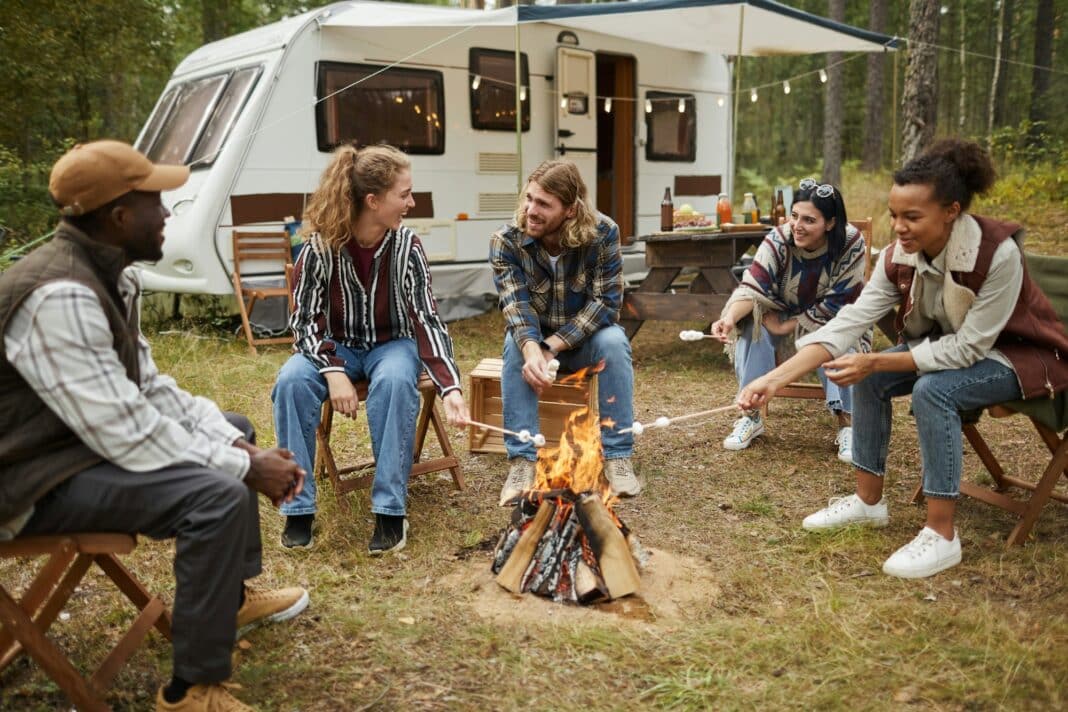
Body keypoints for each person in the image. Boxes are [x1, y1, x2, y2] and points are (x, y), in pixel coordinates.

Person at [0, 140, 309, 711]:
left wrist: (230, 441)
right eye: (156, 203)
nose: (168, 215)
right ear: (119, 218)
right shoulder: (60, 294)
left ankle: (228, 601)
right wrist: (243, 464)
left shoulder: (110, 273)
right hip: (24, 483)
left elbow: (148, 388)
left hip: (69, 447)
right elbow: (124, 430)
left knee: (231, 424)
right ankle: (191, 689)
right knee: (215, 494)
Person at [738, 139, 1068, 579]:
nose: (898, 227)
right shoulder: (899, 257)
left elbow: (968, 349)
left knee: (933, 390)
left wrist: (875, 362)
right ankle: (868, 501)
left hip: (1021, 359)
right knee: (871, 380)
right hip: (953, 348)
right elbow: (851, 319)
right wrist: (775, 380)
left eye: (912, 217)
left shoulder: (997, 254)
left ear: (951, 211)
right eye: (894, 215)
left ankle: (942, 534)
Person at [273, 143, 469, 553]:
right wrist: (333, 370)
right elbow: (304, 320)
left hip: (391, 344)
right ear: (373, 200)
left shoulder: (407, 247)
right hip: (334, 346)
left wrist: (450, 387)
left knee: (397, 380)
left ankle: (390, 512)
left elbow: (425, 318)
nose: (411, 203)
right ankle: (298, 509)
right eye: (405, 194)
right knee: (291, 380)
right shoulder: (321, 247)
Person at [490, 159, 639, 506]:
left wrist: (551, 346)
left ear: (570, 210)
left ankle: (617, 457)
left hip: (583, 342)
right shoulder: (507, 241)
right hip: (535, 341)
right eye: (529, 199)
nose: (531, 210)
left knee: (615, 341)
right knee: (514, 345)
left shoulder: (603, 234)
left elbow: (606, 303)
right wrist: (532, 349)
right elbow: (516, 306)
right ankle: (522, 462)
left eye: (543, 204)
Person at [711, 180, 868, 460]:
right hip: (782, 312)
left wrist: (788, 325)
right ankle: (751, 415)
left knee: (841, 334)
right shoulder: (779, 238)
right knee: (751, 321)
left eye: (809, 220)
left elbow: (841, 304)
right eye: (794, 216)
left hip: (833, 318)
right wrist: (728, 317)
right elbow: (752, 287)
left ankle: (849, 423)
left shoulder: (851, 243)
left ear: (830, 223)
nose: (797, 225)